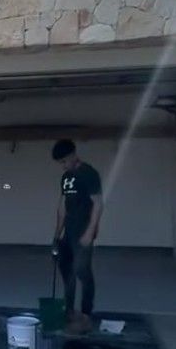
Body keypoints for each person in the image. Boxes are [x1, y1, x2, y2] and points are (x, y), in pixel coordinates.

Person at [51, 138, 103, 333]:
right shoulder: (66, 177)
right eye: (61, 163)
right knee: (67, 272)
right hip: (69, 232)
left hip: (83, 231)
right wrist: (57, 235)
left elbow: (98, 204)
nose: (63, 165)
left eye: (65, 161)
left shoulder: (89, 174)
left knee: (82, 270)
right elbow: (62, 205)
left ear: (73, 155)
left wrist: (90, 232)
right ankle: (70, 312)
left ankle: (87, 315)